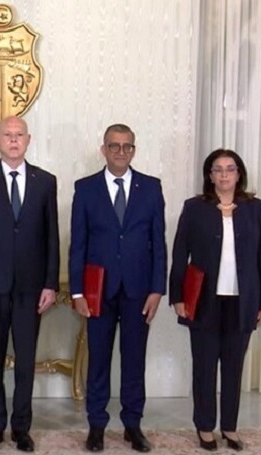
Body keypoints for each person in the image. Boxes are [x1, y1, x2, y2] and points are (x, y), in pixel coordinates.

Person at [0, 116, 59, 453]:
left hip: (31, 288)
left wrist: (50, 283)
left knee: (26, 360)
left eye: (19, 135)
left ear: (28, 140)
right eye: (7, 135)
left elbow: (51, 236)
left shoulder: (45, 181)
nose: (14, 140)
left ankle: (21, 428)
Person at [69, 124, 166, 453]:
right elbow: (78, 244)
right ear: (104, 149)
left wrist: (157, 289)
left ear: (134, 150)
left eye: (127, 146)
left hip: (139, 290)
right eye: (114, 146)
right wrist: (78, 292)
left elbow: (159, 243)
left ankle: (132, 425)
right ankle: (96, 425)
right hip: (98, 290)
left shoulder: (150, 188)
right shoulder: (86, 188)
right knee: (98, 359)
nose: (121, 152)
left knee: (134, 360)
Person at [169, 149, 261, 452]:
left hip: (242, 301)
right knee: (204, 367)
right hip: (204, 300)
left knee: (233, 367)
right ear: (210, 175)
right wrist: (177, 296)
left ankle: (230, 427)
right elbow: (180, 254)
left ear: (239, 174)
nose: (224, 174)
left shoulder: (255, 209)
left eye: (230, 169)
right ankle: (205, 427)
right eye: (218, 169)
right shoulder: (194, 208)